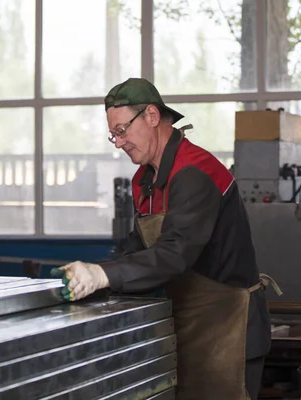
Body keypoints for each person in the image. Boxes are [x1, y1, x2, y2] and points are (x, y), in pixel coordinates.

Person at [51, 78, 279, 400]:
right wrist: (93, 275)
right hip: (188, 324)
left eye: (122, 131)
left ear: (153, 117)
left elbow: (174, 253)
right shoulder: (146, 179)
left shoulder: (195, 173)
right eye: (113, 134)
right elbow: (138, 246)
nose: (118, 143)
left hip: (230, 327)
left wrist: (103, 275)